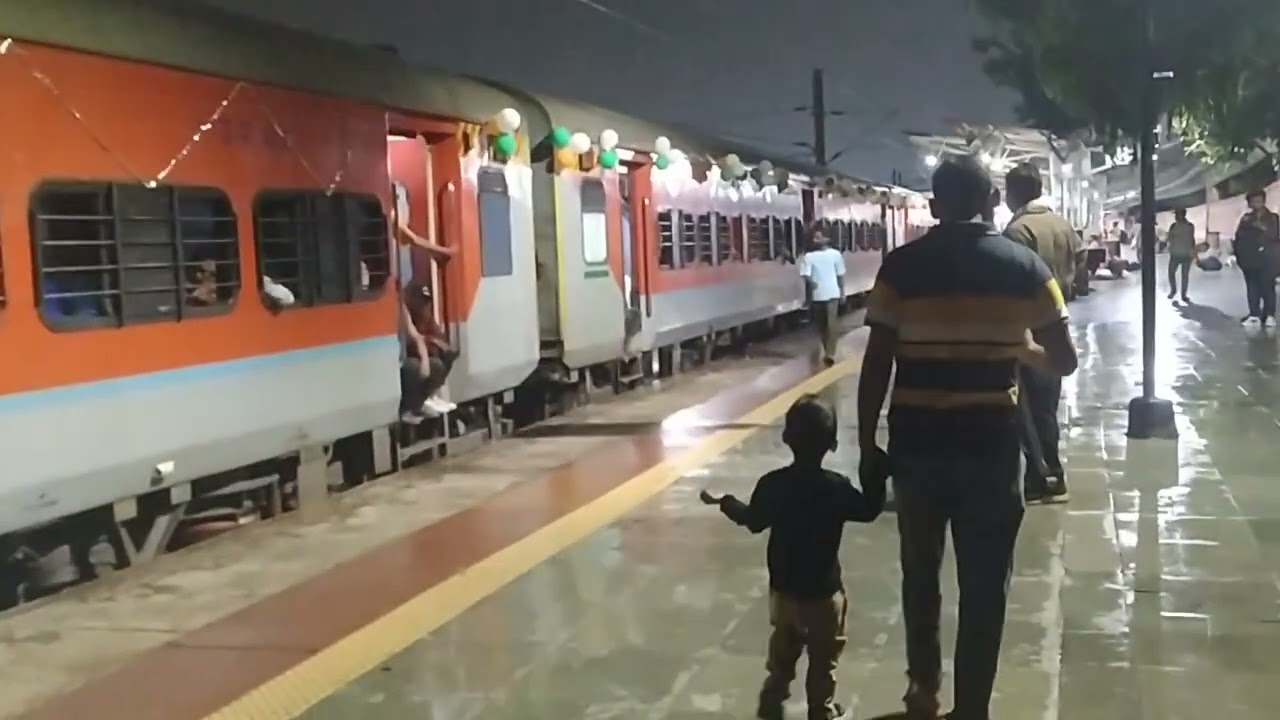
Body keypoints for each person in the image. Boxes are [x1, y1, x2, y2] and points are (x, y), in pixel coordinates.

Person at [857, 157, 1078, 720]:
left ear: (935, 206)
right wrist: (1019, 346)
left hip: (917, 445)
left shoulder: (900, 267)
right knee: (984, 586)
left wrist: (865, 445)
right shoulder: (1024, 267)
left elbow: (877, 362)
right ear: (991, 203)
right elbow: (1063, 360)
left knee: (920, 574)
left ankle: (923, 691)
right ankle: (972, 707)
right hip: (991, 447)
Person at [699, 394, 885, 720]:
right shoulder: (836, 487)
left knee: (784, 645)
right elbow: (869, 510)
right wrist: (876, 473)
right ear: (832, 444)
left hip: (785, 591)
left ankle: (775, 690)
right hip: (824, 594)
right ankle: (821, 710)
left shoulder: (772, 485)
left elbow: (753, 521)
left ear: (787, 438)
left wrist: (727, 503)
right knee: (824, 659)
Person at [1002, 162, 1075, 504]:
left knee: (1028, 408)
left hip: (1030, 327)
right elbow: (1081, 258)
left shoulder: (1018, 231)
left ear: (1013, 192)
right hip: (1057, 320)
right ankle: (1050, 472)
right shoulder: (1061, 223)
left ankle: (1043, 475)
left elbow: (1012, 280)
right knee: (1047, 404)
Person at [400, 282, 458, 423]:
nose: (425, 305)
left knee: (444, 359)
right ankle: (412, 406)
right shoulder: (405, 313)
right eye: (421, 301)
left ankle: (429, 397)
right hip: (408, 357)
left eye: (427, 301)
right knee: (417, 367)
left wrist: (439, 345)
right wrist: (429, 344)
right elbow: (412, 339)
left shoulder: (427, 318)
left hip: (422, 354)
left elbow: (438, 337)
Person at [799, 227, 846, 365]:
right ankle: (827, 349)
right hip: (817, 295)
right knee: (822, 325)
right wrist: (811, 283)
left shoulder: (835, 254)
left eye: (819, 237)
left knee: (831, 324)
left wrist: (842, 292)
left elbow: (840, 275)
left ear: (827, 239)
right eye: (814, 238)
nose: (816, 240)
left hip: (833, 294)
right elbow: (805, 274)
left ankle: (830, 353)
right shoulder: (809, 257)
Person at [1233, 190, 1279, 327]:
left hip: (1268, 259)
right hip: (1250, 259)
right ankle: (1254, 315)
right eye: (1253, 201)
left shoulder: (1273, 218)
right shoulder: (1246, 219)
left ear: (1264, 201)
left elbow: (1273, 236)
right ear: (1249, 203)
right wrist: (1239, 255)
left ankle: (1269, 315)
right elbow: (1239, 237)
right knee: (1252, 287)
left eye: (1259, 200)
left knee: (1267, 286)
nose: (1256, 203)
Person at [1166, 208, 1197, 302]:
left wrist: (1194, 252)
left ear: (1182, 215)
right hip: (1180, 254)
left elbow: (1192, 239)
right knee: (1177, 274)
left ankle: (1179, 293)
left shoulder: (1185, 226)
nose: (1175, 217)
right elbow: (1169, 239)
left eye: (1177, 214)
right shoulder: (1179, 226)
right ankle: (1178, 292)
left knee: (1180, 274)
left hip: (1182, 254)